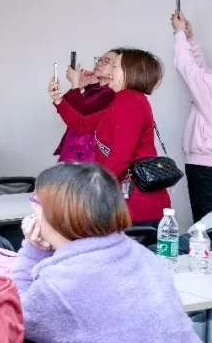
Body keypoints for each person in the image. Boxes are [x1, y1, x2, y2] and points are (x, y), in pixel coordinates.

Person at [13, 163, 212, 343]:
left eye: (35, 201)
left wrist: (33, 249)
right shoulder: (140, 255)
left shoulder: (66, 283)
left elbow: (16, 313)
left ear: (54, 214)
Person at [49, 48, 169, 226]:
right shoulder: (122, 100)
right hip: (126, 203)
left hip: (135, 206)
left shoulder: (130, 102)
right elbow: (83, 124)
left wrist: (94, 191)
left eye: (115, 66)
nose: (110, 71)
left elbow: (120, 157)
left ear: (130, 72)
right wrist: (58, 100)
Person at [171, 10, 212, 222]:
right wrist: (190, 37)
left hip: (209, 171)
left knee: (208, 231)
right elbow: (201, 72)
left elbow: (188, 69)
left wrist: (179, 33)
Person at [54, 52, 117, 162]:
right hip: (73, 146)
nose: (99, 63)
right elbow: (63, 109)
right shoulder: (92, 88)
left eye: (106, 61)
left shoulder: (112, 93)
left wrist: (75, 85)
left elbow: (83, 115)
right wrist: (79, 86)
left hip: (89, 153)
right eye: (99, 60)